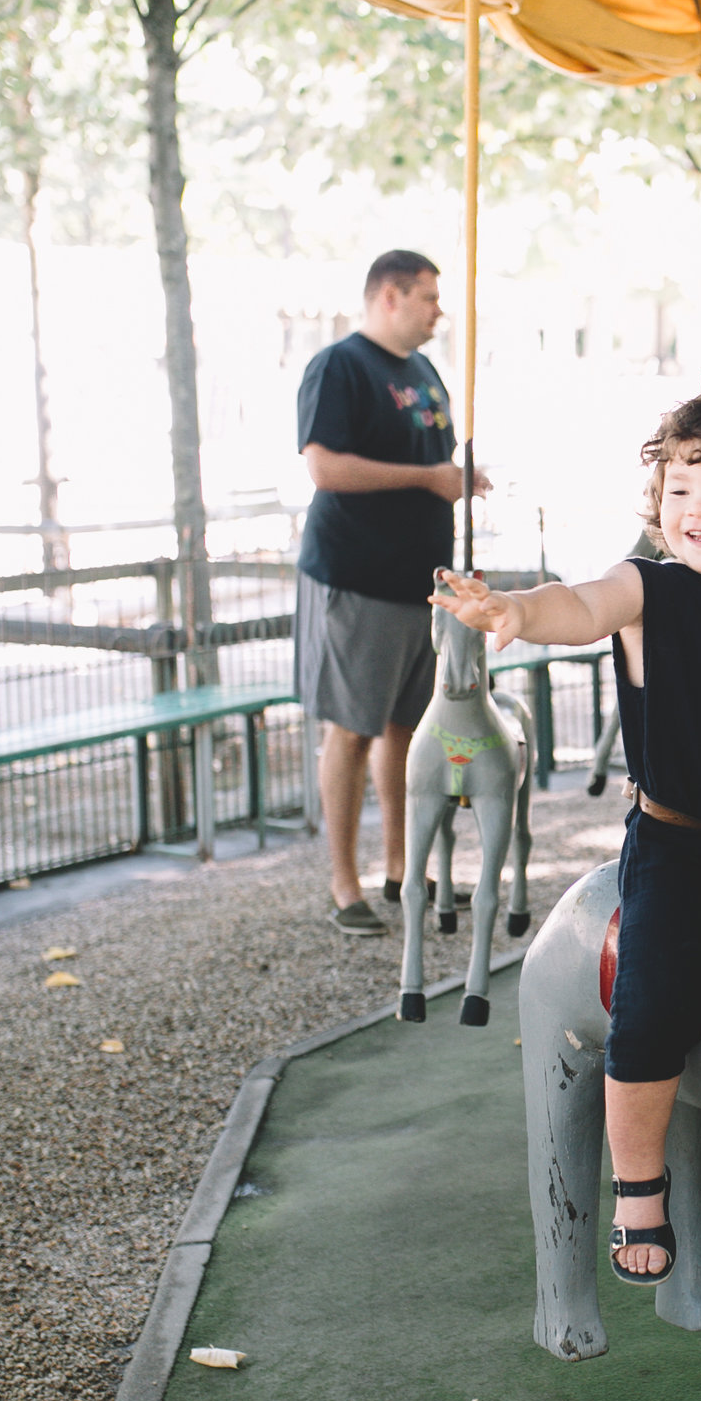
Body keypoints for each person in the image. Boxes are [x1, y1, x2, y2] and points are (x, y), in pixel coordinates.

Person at [432, 389, 701, 1286]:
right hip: (684, 842)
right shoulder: (647, 588)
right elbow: (575, 603)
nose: (699, 509)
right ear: (657, 503)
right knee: (654, 993)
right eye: (681, 489)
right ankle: (638, 1182)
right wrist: (516, 611)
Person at [294, 250, 489, 936]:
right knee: (351, 728)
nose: (439, 311)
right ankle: (344, 884)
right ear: (389, 296)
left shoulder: (423, 371)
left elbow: (430, 462)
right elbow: (324, 466)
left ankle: (404, 867)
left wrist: (457, 477)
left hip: (423, 583)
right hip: (359, 577)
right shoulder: (341, 366)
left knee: (408, 728)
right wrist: (428, 480)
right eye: (429, 298)